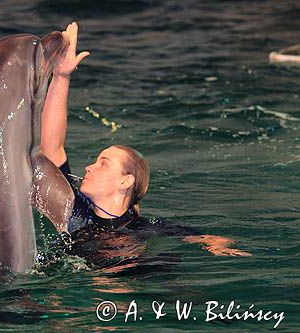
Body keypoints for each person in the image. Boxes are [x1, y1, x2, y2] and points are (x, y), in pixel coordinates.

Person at [40, 22, 251, 257]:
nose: (89, 167)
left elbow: (211, 238)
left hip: (140, 281)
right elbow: (51, 148)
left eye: (103, 163)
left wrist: (216, 245)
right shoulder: (76, 210)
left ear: (126, 182)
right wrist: (61, 76)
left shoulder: (143, 229)